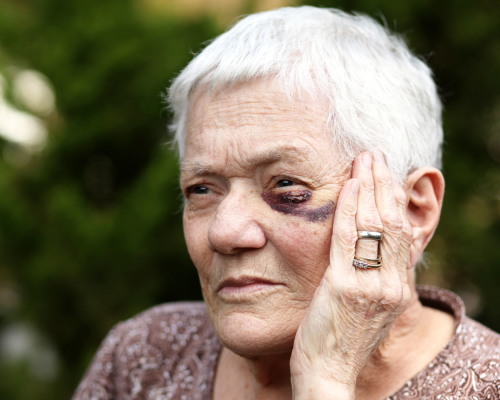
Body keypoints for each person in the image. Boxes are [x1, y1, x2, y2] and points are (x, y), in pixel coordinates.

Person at [73, 7, 500, 400]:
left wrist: (325, 380)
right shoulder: (143, 358)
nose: (225, 232)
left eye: (287, 187)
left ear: (413, 211)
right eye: (202, 189)